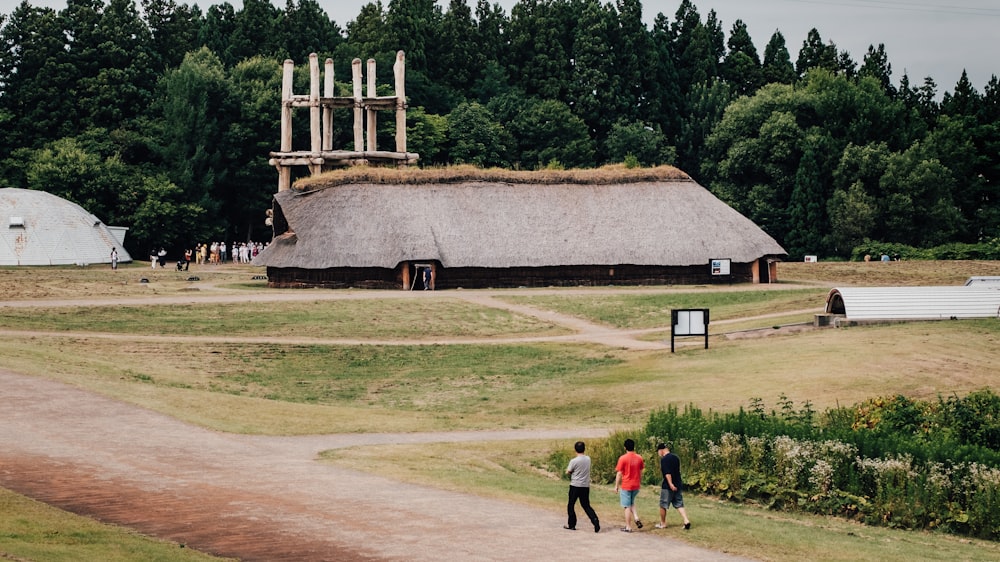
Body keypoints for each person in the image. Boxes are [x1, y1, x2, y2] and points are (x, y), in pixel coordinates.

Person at [564, 441, 600, 533]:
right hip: (585, 485)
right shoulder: (588, 459)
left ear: (575, 449)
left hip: (575, 485)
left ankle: (572, 524)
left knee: (571, 505)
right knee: (586, 505)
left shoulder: (574, 461)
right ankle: (595, 520)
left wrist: (571, 472)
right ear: (584, 449)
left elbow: (568, 471)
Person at [655, 443, 691, 530]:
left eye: (658, 452)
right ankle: (686, 520)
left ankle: (663, 523)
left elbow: (667, 473)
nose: (658, 454)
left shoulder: (664, 459)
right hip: (678, 483)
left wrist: (670, 484)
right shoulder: (676, 457)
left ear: (661, 450)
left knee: (663, 505)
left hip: (668, 486)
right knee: (679, 503)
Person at [614, 438, 645, 532]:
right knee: (631, 502)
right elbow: (641, 470)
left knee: (626, 506)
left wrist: (616, 485)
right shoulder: (639, 457)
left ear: (625, 447)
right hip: (636, 484)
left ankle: (628, 526)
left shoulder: (623, 458)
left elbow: (619, 473)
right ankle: (636, 517)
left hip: (627, 484)